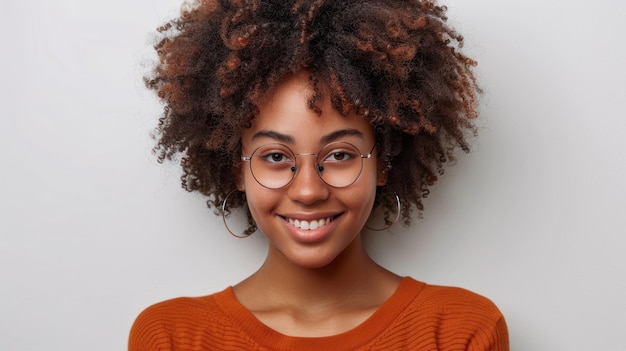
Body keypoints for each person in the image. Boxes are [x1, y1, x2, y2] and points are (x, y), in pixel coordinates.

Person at [129, 0, 509, 350]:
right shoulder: (171, 337)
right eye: (276, 156)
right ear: (237, 169)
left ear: (384, 162)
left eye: (340, 154)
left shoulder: (459, 331)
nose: (309, 190)